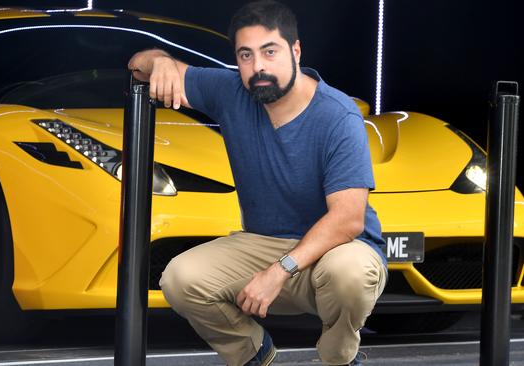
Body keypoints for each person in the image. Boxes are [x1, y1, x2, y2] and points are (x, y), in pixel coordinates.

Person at [128, 1, 387, 365]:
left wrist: (278, 272)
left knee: (350, 273)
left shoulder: (337, 114)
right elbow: (138, 63)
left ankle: (340, 356)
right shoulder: (232, 90)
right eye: (245, 55)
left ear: (295, 51)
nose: (258, 66)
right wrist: (161, 62)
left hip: (338, 248)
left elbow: (348, 220)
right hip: (263, 242)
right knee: (180, 278)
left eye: (270, 51)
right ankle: (253, 353)